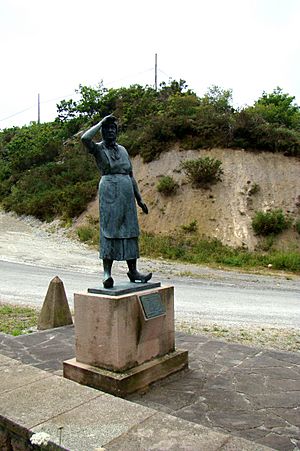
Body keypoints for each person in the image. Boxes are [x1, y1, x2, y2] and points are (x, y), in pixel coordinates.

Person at [81, 114, 152, 288]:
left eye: (113, 128)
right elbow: (84, 138)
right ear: (103, 131)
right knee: (109, 230)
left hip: (126, 192)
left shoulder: (123, 150)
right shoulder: (98, 149)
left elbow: (131, 175)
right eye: (107, 129)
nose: (111, 131)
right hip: (110, 191)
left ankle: (133, 270)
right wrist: (100, 122)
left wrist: (139, 199)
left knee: (130, 230)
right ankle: (107, 273)